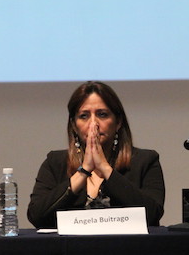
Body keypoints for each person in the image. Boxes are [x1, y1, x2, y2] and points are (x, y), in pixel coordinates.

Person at [28, 81, 165, 229]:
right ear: (74, 125)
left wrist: (105, 168)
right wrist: (84, 171)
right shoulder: (55, 162)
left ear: (118, 121)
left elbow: (152, 215)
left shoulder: (145, 161)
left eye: (102, 114)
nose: (93, 123)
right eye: (84, 116)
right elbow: (36, 216)